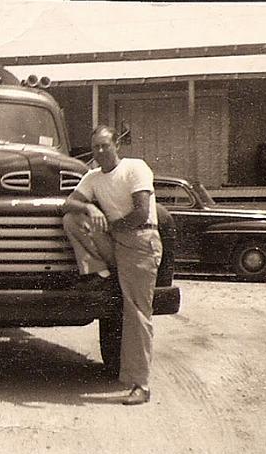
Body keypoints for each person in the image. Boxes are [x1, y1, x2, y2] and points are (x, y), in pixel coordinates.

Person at [62, 124, 162, 406]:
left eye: (106, 145)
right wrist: (89, 207)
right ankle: (100, 272)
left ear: (116, 145)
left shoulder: (135, 168)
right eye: (96, 147)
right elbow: (69, 205)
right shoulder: (93, 177)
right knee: (73, 220)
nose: (101, 151)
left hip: (140, 242)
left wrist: (110, 228)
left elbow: (141, 212)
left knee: (137, 313)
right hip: (116, 241)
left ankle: (141, 384)